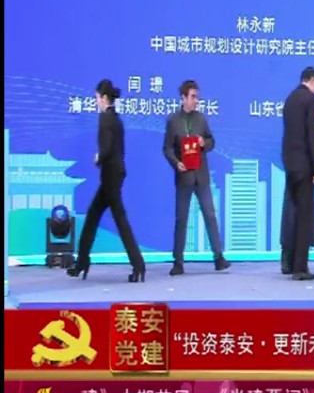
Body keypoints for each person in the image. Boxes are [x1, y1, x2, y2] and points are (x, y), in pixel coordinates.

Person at [68, 79, 145, 282]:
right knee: (95, 216)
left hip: (110, 175)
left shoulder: (105, 118)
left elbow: (107, 148)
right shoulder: (115, 118)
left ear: (103, 98)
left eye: (96, 98)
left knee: (117, 219)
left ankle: (137, 265)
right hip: (114, 174)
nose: (96, 102)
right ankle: (82, 262)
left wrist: (98, 157)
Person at [163, 80, 230, 276]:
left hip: (201, 176)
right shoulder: (173, 120)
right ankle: (178, 262)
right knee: (181, 219)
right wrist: (176, 163)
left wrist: (204, 143)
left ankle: (219, 258)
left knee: (210, 215)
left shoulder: (201, 119)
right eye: (192, 97)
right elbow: (167, 148)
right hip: (184, 176)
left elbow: (211, 141)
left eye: (197, 97)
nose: (196, 100)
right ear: (183, 98)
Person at [282, 67, 314, 281]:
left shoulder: (290, 99)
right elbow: (313, 135)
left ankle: (288, 262)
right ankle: (300, 267)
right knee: (305, 216)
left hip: (290, 164)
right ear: (312, 80)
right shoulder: (309, 99)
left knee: (293, 214)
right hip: (305, 165)